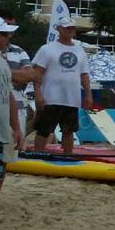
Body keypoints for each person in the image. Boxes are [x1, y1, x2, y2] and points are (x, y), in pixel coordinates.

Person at [31, 17, 93, 155]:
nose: (70, 30)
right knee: (44, 130)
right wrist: (38, 94)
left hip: (72, 98)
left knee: (69, 130)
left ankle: (67, 157)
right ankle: (37, 155)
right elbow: (37, 74)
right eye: (66, 27)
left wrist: (88, 94)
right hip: (50, 97)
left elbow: (84, 75)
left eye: (72, 27)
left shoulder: (80, 50)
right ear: (58, 29)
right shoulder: (47, 49)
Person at [0, 17, 25, 206]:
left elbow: (9, 96)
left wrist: (16, 128)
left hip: (0, 130)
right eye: (4, 34)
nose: (8, 37)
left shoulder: (1, 61)